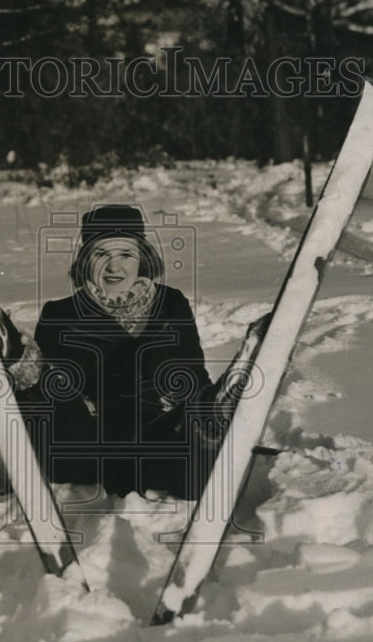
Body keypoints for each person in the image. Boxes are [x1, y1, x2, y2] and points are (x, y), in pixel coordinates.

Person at [19, 204, 224, 500]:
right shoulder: (60, 314)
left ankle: (216, 421)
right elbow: (53, 406)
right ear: (85, 260)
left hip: (156, 438)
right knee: (52, 386)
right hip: (91, 444)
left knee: (193, 429)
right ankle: (15, 353)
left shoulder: (171, 303)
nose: (114, 267)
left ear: (142, 256)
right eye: (101, 254)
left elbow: (192, 373)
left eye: (125, 254)